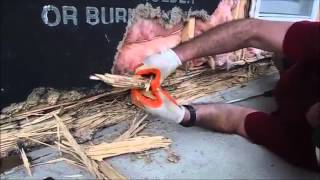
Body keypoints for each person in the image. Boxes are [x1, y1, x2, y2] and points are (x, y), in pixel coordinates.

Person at [131, 19, 320, 171]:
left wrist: (183, 114)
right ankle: (287, 66)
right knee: (283, 52)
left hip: (292, 110)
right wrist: (174, 56)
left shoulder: (304, 150)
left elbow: (236, 119)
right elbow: (251, 31)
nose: (312, 117)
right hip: (301, 67)